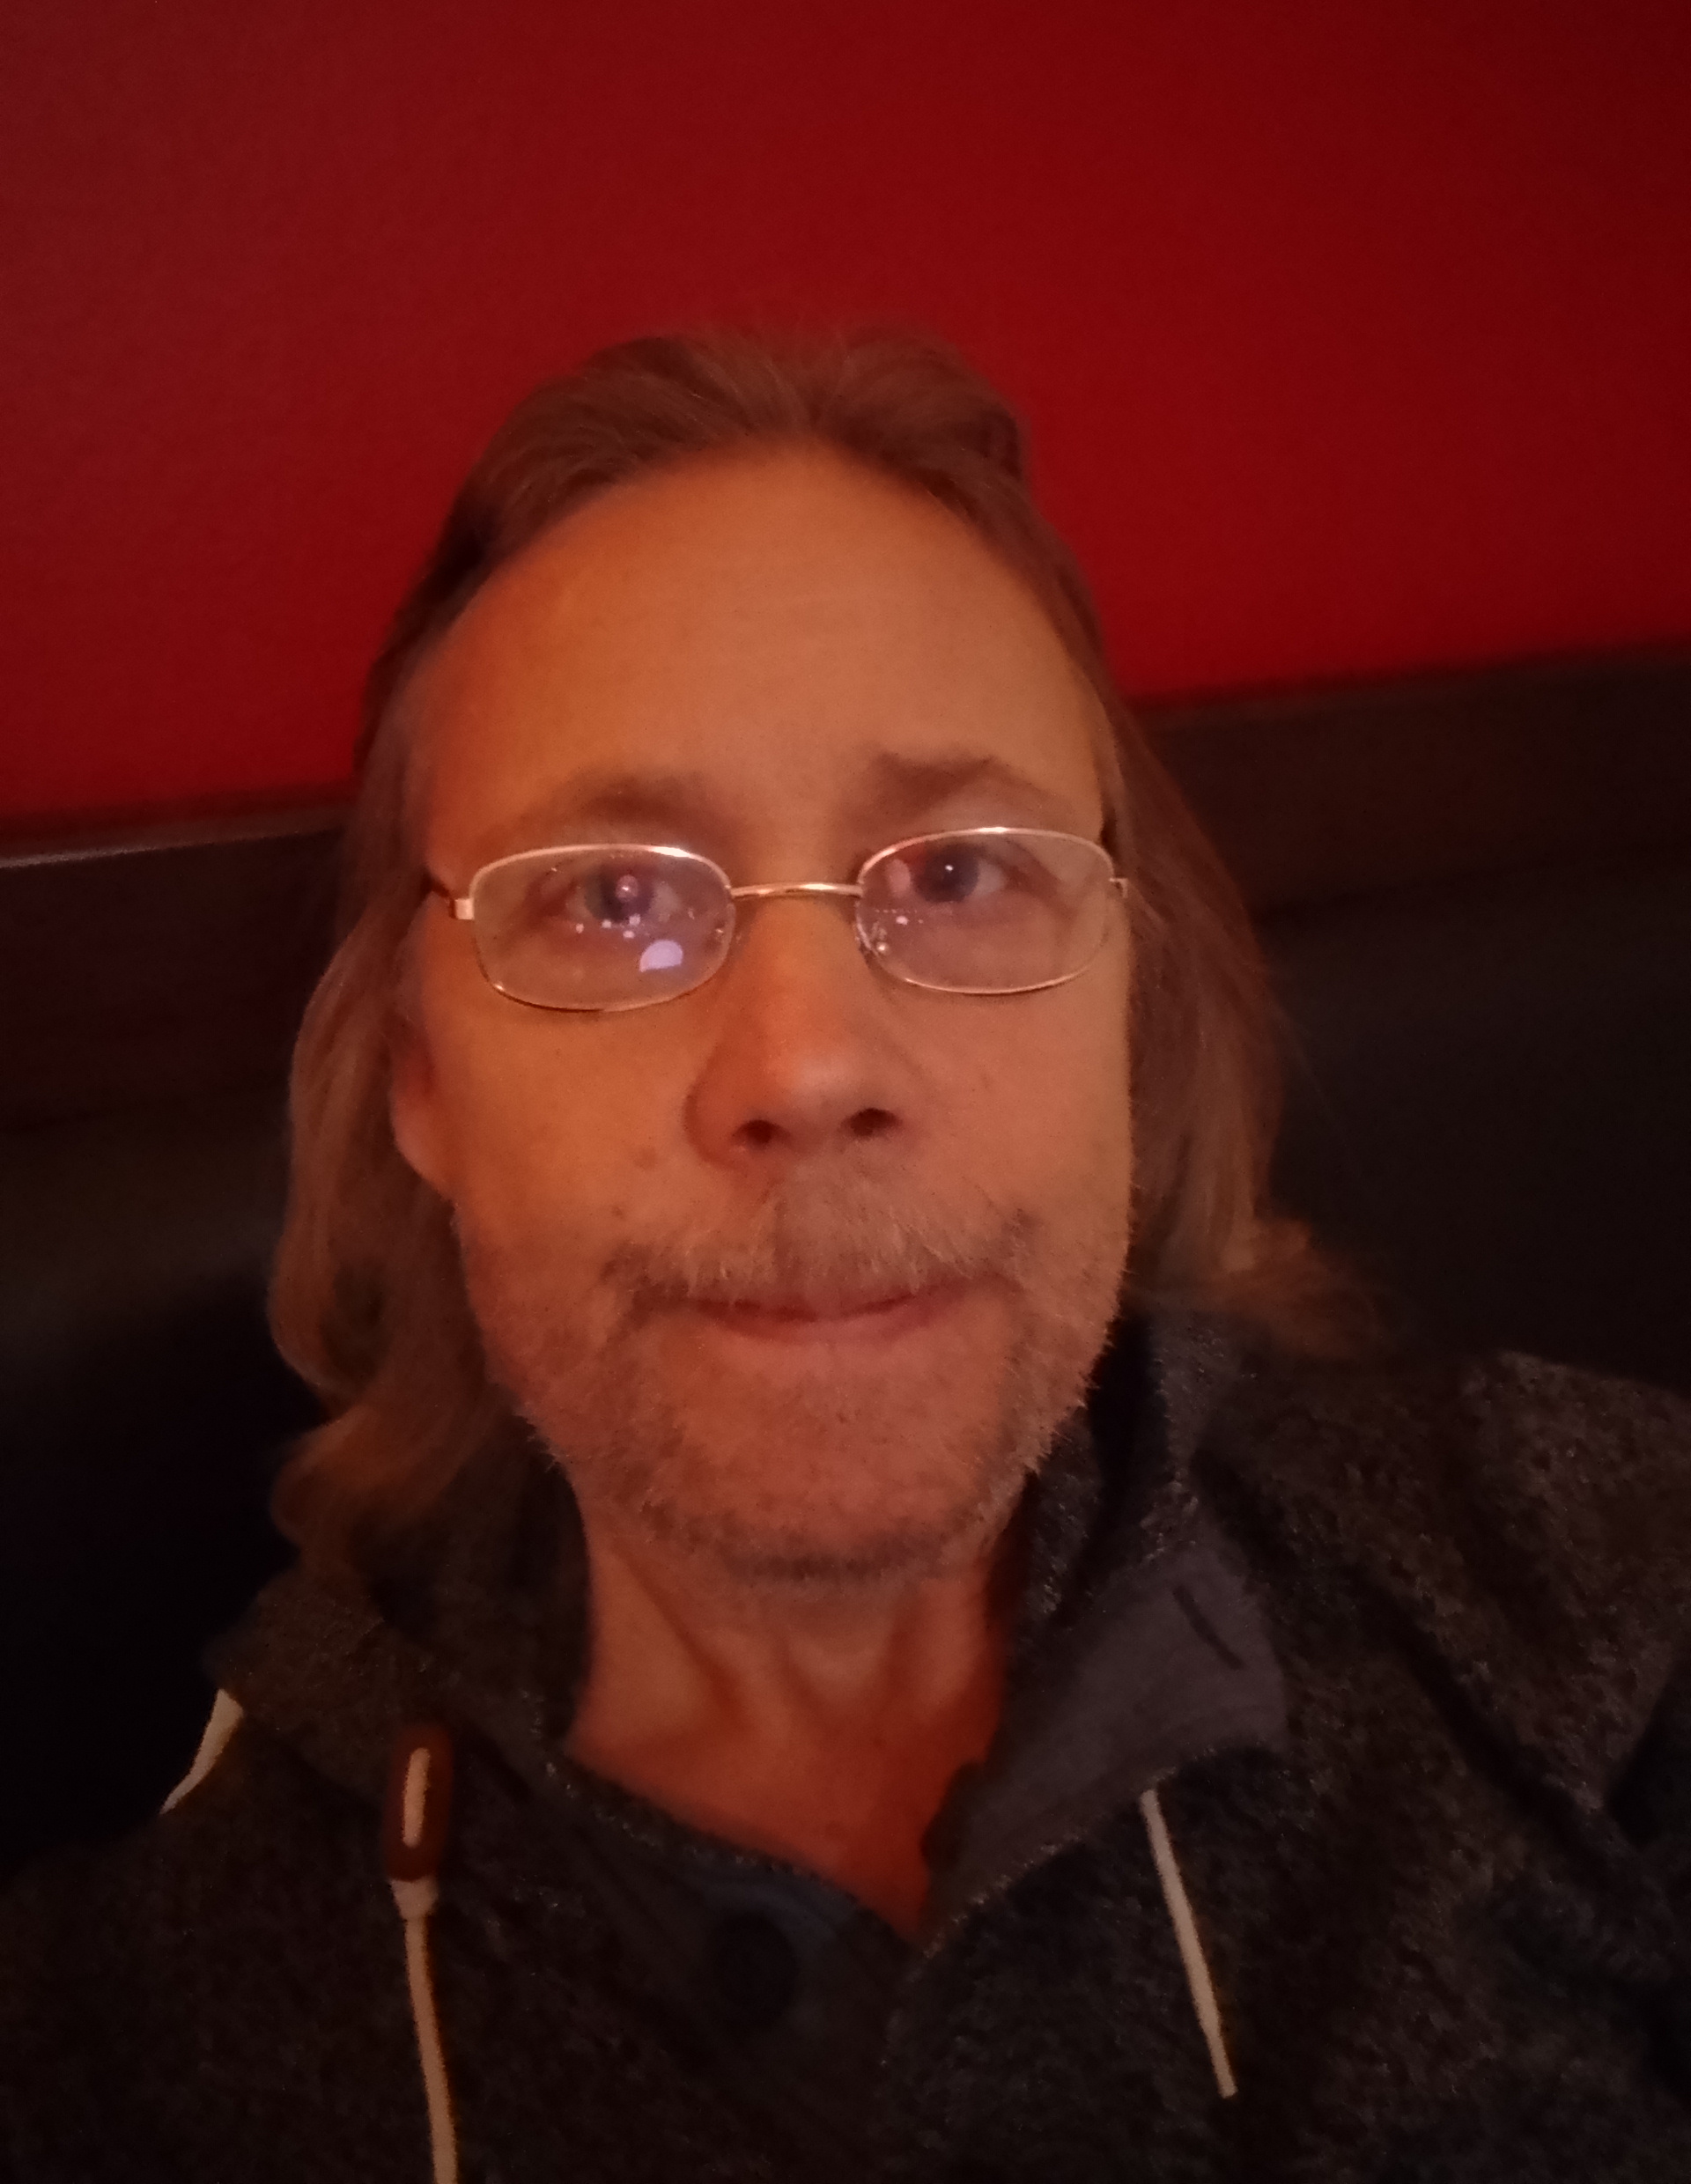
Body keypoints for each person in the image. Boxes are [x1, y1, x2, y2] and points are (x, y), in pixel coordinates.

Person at [3, 329, 1688, 2184]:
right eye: (612, 897)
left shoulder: (1593, 1603)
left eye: (960, 871)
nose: (808, 1069)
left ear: (1128, 1013)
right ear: (420, 1079)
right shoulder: (130, 2050)